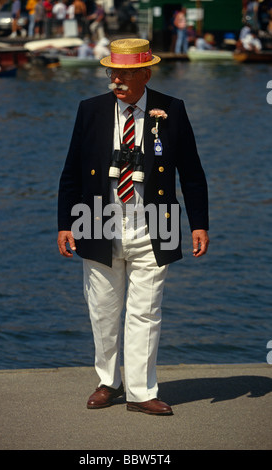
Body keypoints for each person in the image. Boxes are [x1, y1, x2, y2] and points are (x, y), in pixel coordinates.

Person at [57, 38, 209, 416]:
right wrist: (65, 224)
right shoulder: (89, 110)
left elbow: (192, 174)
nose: (117, 79)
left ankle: (142, 392)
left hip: (155, 225)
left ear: (146, 72)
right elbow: (71, 173)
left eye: (125, 72)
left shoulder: (171, 109)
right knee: (104, 311)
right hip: (96, 222)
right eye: (112, 71)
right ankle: (108, 382)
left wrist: (199, 224)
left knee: (146, 311)